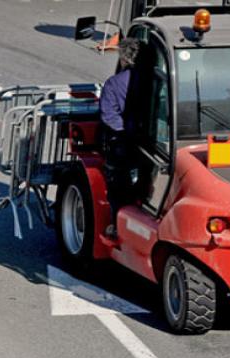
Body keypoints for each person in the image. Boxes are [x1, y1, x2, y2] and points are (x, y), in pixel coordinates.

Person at [100, 38, 141, 238]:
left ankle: (118, 226)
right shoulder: (155, 80)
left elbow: (109, 116)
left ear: (124, 58)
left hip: (124, 144)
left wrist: (125, 134)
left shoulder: (114, 84)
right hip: (147, 141)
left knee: (117, 188)